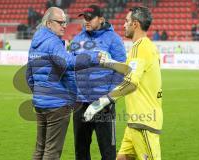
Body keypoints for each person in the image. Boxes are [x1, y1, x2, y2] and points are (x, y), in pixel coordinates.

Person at [84, 6, 163, 160]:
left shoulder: (140, 47)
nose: (123, 25)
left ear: (136, 24)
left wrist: (101, 102)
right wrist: (109, 62)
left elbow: (131, 82)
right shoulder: (146, 46)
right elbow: (129, 70)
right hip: (136, 121)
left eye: (127, 21)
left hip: (144, 121)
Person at [26, 7, 100, 160]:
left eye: (65, 22)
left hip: (40, 102)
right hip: (56, 104)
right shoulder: (53, 42)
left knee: (40, 148)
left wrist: (40, 92)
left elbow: (29, 75)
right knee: (52, 151)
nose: (64, 25)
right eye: (60, 22)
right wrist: (92, 58)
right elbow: (67, 63)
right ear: (48, 23)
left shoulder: (35, 42)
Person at [70, 4, 126, 160]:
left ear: (101, 19)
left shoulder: (114, 39)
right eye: (84, 18)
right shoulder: (77, 39)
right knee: (80, 151)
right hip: (80, 103)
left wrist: (107, 97)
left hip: (103, 104)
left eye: (90, 18)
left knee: (108, 152)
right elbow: (69, 67)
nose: (86, 21)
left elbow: (121, 70)